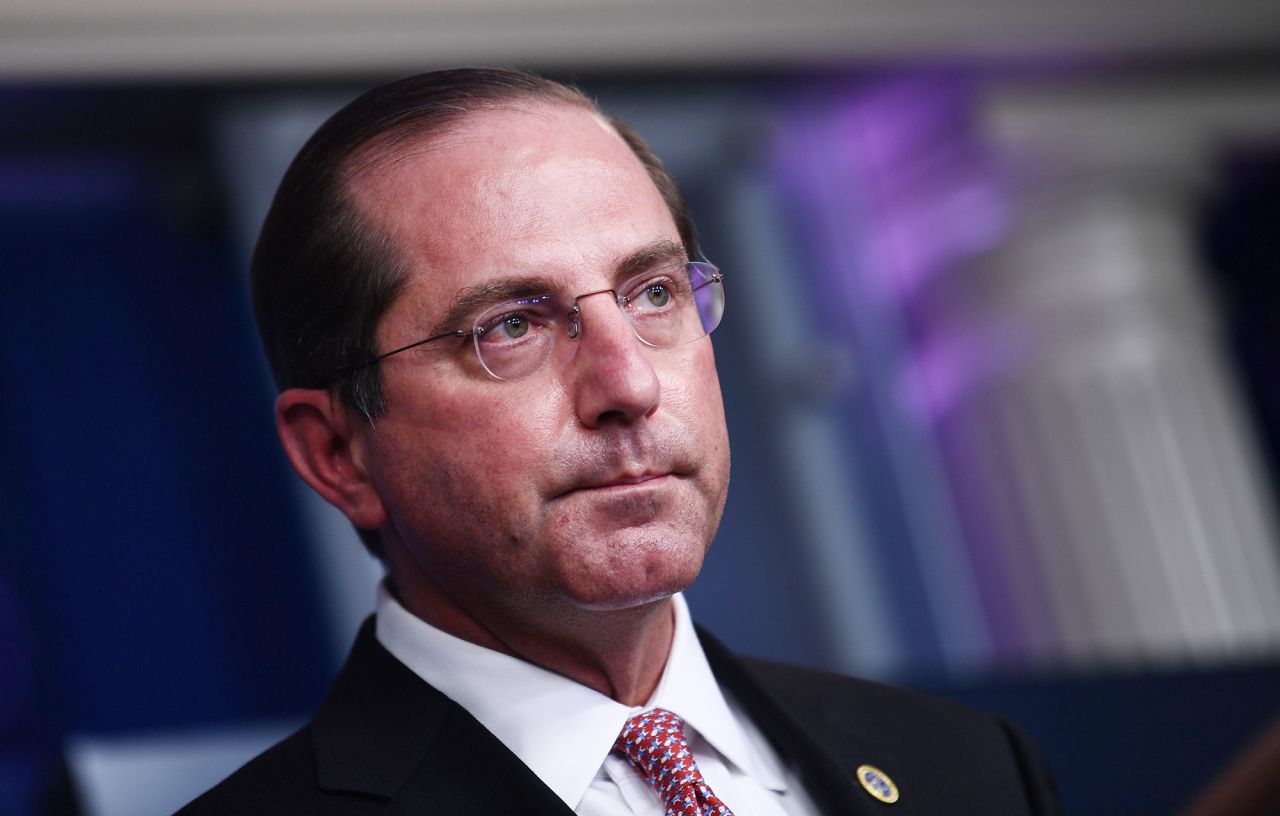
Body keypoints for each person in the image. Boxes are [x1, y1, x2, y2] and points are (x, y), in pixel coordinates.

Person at [179, 67, 1062, 815]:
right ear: (338, 453)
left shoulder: (974, 770)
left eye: (653, 294)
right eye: (511, 326)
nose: (629, 385)